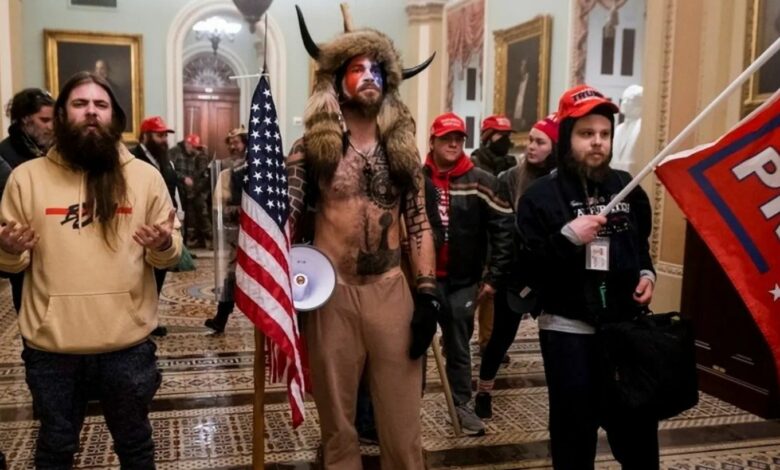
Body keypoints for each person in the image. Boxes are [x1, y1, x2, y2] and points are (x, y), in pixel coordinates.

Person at [0, 71, 182, 469]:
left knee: (136, 447)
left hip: (127, 346)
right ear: (62, 115)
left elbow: (169, 255)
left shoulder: (144, 177)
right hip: (53, 349)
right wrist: (8, 249)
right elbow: (11, 261)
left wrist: (162, 245)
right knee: (55, 449)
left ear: (114, 116)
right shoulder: (26, 179)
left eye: (101, 105)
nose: (91, 112)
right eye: (79, 104)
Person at [289, 5, 438, 468]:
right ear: (337, 82)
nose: (369, 76)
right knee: (338, 428)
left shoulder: (402, 150)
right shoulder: (311, 150)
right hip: (331, 295)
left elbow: (418, 221)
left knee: (403, 426)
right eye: (357, 68)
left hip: (390, 292)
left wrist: (427, 294)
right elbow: (284, 221)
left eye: (376, 69)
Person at [515, 84, 658, 469]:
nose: (597, 142)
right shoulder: (539, 197)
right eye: (586, 133)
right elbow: (526, 268)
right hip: (568, 332)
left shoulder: (626, 187)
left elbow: (640, 244)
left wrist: (647, 274)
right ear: (566, 137)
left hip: (625, 330)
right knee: (574, 433)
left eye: (604, 133)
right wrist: (566, 238)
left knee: (637, 430)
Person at [424, 112, 513, 436]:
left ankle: (461, 406)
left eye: (458, 139)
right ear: (432, 141)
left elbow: (504, 229)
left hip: (462, 282)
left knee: (459, 346)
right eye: (446, 138)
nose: (452, 144)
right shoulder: (418, 179)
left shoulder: (481, 180)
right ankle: (405, 408)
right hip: (423, 280)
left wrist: (493, 278)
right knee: (415, 344)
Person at [474, 114, 558, 419]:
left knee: (555, 341)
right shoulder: (510, 177)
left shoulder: (562, 182)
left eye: (540, 142)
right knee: (501, 337)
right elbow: (498, 229)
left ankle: (562, 402)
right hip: (515, 271)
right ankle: (483, 392)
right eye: (530, 140)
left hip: (551, 273)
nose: (530, 147)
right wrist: (494, 269)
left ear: (555, 147)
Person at [0, 88, 55, 315]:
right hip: (23, 252)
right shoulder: (5, 155)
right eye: (45, 120)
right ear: (25, 120)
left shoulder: (51, 151)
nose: (51, 126)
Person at [470, 114, 517, 357]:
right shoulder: (474, 165)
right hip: (477, 237)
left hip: (501, 234)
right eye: (501, 135)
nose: (505, 140)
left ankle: (488, 341)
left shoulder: (511, 165)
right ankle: (456, 335)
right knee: (473, 292)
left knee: (492, 292)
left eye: (508, 136)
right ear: (488, 137)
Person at [132, 116, 182, 337]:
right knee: (140, 276)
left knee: (159, 274)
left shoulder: (165, 160)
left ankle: (151, 318)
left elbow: (173, 190)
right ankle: (137, 319)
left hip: (164, 228)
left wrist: (179, 215)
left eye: (165, 136)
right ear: (145, 136)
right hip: (139, 229)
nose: (163, 140)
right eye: (159, 135)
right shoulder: (134, 158)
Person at [203, 126, 247, 334]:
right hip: (235, 233)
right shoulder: (226, 172)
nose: (233, 146)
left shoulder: (260, 168)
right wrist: (238, 210)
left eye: (236, 142)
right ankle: (221, 319)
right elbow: (218, 206)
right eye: (230, 143)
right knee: (230, 276)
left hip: (258, 235)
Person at [169, 133, 211, 248]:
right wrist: (183, 178)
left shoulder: (196, 155)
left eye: (195, 147)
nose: (194, 149)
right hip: (178, 188)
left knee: (193, 214)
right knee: (181, 215)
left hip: (191, 190)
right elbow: (170, 170)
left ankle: (190, 242)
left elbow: (200, 172)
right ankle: (181, 242)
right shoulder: (174, 152)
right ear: (186, 143)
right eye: (192, 146)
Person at [612, 84, 643, 172]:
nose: (624, 103)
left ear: (639, 104)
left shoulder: (642, 127)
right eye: (624, 99)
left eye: (629, 100)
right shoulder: (618, 129)